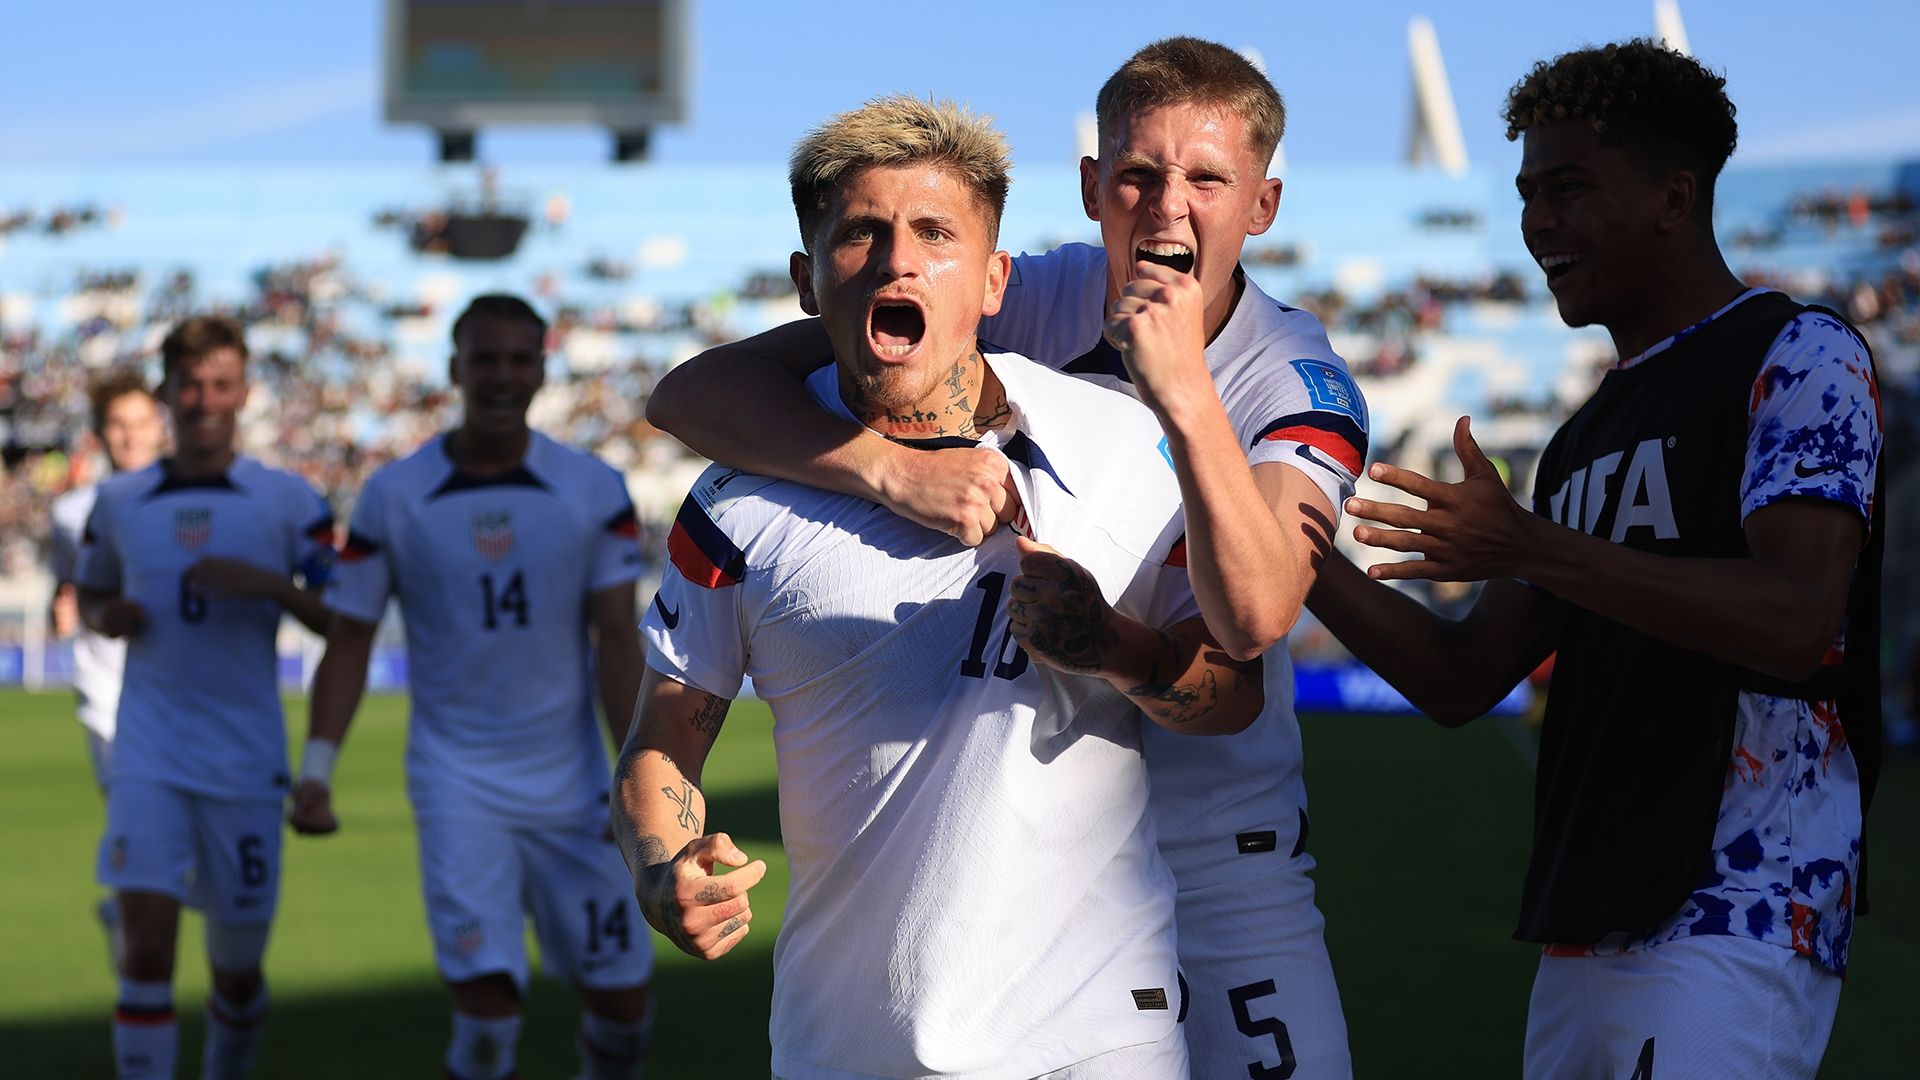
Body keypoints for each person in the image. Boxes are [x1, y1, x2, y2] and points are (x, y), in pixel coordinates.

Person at [642, 37, 1362, 1077]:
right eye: (1136, 176)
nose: (1167, 207)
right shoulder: (1025, 293)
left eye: (1207, 178)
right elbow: (693, 397)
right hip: (1019, 885)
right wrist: (888, 470)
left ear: (1263, 205)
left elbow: (1251, 622)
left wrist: (1185, 394)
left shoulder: (1297, 380)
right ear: (1090, 188)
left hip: (1219, 844)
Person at [1307, 40, 1882, 1078]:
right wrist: (1287, 548)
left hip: (1743, 904)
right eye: (1529, 192)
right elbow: (1459, 676)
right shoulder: (1582, 435)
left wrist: (1530, 542)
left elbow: (1798, 619)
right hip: (1593, 913)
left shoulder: (1798, 353)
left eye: (1568, 188)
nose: (1536, 221)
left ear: (1674, 196)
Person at [290, 294, 655, 1080]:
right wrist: (315, 772)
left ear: (542, 371)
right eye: (484, 360)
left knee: (623, 1008)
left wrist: (636, 777)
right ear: (454, 370)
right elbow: (351, 636)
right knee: (486, 1016)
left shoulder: (592, 489)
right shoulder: (395, 493)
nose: (500, 376)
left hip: (573, 788)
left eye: (518, 360)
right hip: (458, 785)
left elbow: (616, 639)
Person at [75, 315, 336, 1080]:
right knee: (146, 946)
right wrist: (106, 615)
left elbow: (344, 618)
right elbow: (90, 593)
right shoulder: (120, 501)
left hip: (246, 764)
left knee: (235, 971)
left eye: (221, 384)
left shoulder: (288, 502)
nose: (204, 400)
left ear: (245, 392)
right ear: (165, 393)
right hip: (148, 757)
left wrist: (266, 585)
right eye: (189, 385)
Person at [47, 369, 166, 963]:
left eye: (142, 422)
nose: (131, 436)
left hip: (178, 693)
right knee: (134, 816)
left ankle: (127, 910)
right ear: (100, 433)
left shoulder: (188, 500)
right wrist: (73, 612)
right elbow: (63, 593)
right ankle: (135, 945)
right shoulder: (71, 512)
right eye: (119, 424)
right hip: (107, 691)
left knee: (176, 837)